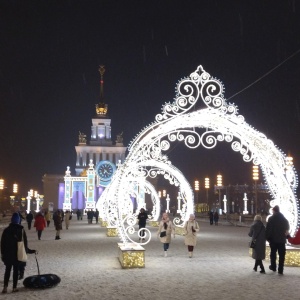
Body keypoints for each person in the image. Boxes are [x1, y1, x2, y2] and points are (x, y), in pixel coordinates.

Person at [1, 212, 36, 293]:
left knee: (7, 270)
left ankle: (5, 287)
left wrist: (2, 254)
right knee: (16, 270)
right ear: (18, 220)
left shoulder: (6, 230)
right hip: (17, 254)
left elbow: (2, 243)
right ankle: (14, 287)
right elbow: (24, 244)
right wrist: (29, 251)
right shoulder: (21, 230)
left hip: (7, 254)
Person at [266, 205, 290, 275]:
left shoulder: (271, 219)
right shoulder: (284, 219)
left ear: (274, 210)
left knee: (273, 254)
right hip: (282, 240)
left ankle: (273, 266)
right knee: (282, 255)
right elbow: (287, 228)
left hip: (273, 240)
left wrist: (268, 238)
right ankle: (281, 269)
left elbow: (268, 229)